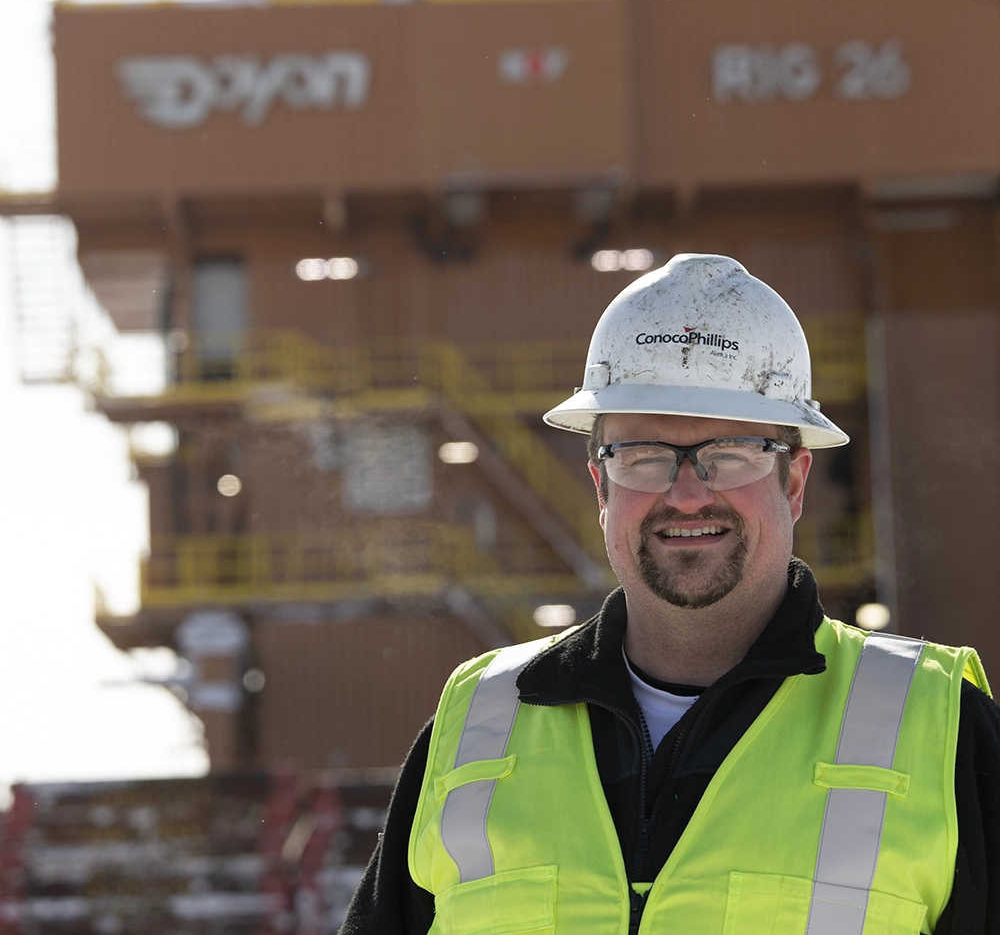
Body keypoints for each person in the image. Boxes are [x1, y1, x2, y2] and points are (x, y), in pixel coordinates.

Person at [341, 253, 1000, 934]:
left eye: (732, 452)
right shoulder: (474, 726)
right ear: (602, 486)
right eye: (644, 456)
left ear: (795, 482)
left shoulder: (938, 730)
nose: (687, 493)